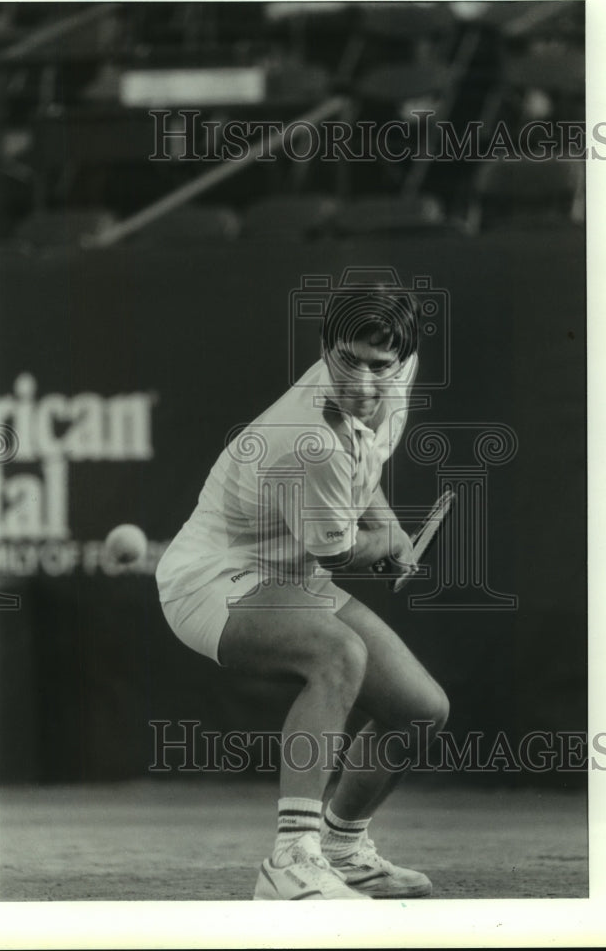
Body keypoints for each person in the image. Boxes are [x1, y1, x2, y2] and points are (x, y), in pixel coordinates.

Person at [155, 279, 449, 900]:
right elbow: (340, 550)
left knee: (421, 709)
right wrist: (389, 546)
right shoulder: (308, 439)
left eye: (380, 366)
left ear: (401, 359)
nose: (363, 383)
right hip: (210, 579)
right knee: (337, 653)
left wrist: (392, 528)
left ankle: (344, 850)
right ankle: (290, 858)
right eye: (348, 360)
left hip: (288, 574)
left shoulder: (397, 370)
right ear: (324, 346)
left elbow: (362, 471)